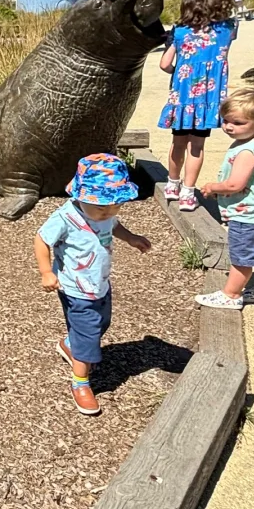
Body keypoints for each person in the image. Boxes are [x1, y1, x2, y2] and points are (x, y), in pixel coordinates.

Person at [34, 154, 152, 415]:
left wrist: (130, 237)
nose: (108, 212)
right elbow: (41, 241)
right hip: (75, 287)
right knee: (89, 335)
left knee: (100, 325)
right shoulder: (65, 218)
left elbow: (114, 225)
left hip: (99, 283)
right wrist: (46, 272)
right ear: (80, 196)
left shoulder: (104, 212)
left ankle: (70, 344)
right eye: (102, 207)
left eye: (115, 206)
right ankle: (81, 383)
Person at [194, 88, 254, 309]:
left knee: (242, 257)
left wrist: (213, 187)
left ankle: (231, 295)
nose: (229, 127)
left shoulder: (246, 151)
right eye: (225, 121)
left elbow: (235, 184)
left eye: (238, 122)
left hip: (247, 214)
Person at [157, 0, 237, 213]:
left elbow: (164, 64)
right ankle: (188, 193)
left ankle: (172, 184)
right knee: (197, 146)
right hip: (207, 100)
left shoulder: (180, 32)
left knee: (178, 142)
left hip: (182, 99)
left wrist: (180, 72)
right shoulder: (227, 29)